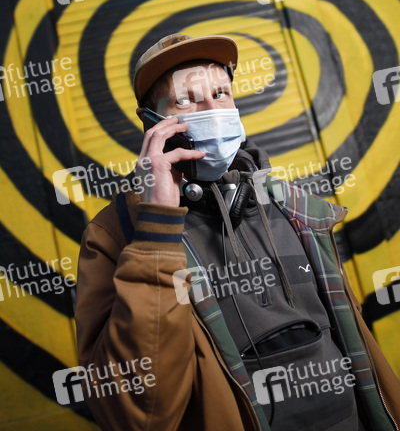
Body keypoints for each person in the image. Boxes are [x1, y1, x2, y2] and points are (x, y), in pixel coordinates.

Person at [75, 33, 400, 431]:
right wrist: (157, 227)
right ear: (153, 123)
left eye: (221, 93)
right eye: (186, 100)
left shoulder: (295, 206)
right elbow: (135, 413)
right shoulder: (114, 235)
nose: (213, 110)